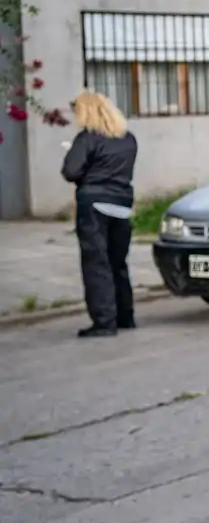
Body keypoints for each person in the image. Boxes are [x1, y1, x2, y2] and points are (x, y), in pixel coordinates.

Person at [62, 91, 138, 338]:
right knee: (118, 262)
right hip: (122, 204)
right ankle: (125, 316)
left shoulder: (87, 138)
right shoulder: (128, 139)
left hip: (94, 205)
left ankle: (104, 322)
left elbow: (71, 171)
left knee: (96, 263)